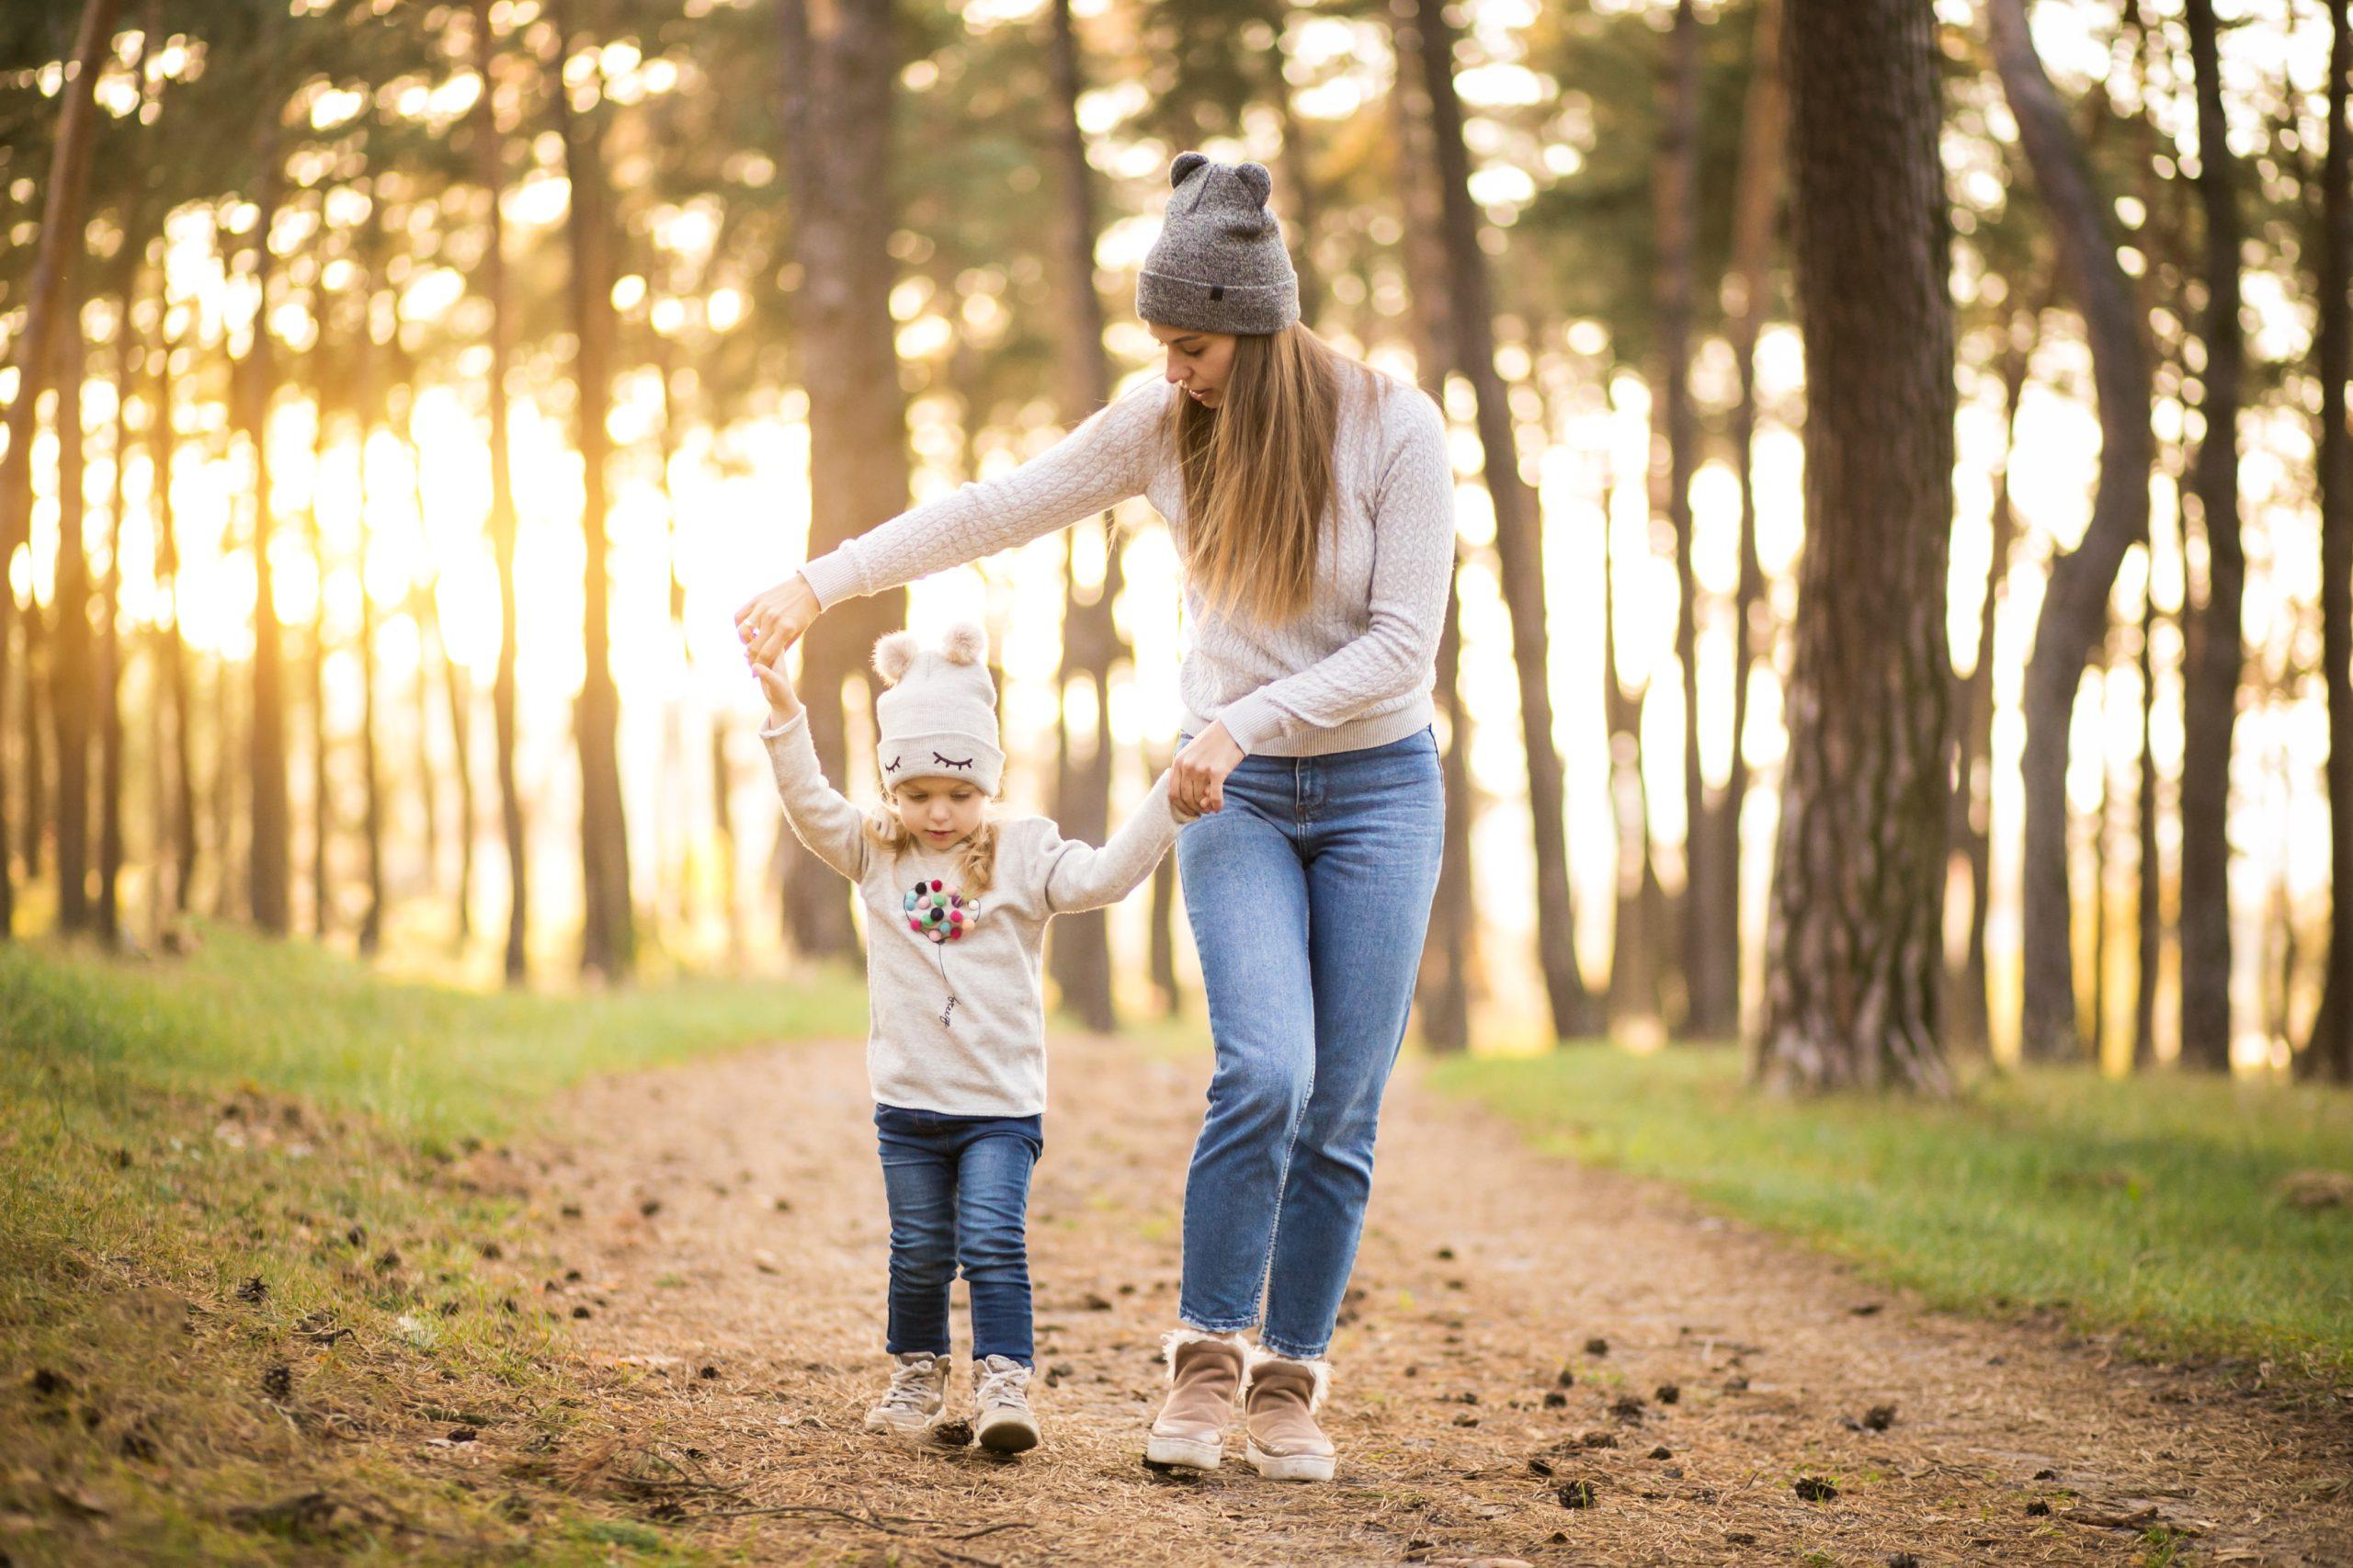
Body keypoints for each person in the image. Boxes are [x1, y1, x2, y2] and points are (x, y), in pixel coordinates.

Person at [738, 151, 1453, 1483]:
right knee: (1265, 1072)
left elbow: (1406, 648)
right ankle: (1204, 1361)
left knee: (1341, 1107)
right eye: (1161, 348)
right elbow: (995, 508)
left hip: (1378, 788)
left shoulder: (1394, 427)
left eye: (1190, 347)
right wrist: (819, 579)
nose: (1171, 372)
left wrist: (1252, 715)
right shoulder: (1161, 425)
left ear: (1256, 323)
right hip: (1221, 788)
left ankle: (1291, 1380)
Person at [753, 620, 1191, 1453]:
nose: (939, 812)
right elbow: (810, 802)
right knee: (918, 1252)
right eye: (917, 794)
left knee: (992, 1241)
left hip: (999, 1106)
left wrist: (1168, 800)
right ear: (893, 792)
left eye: (957, 792)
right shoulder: (875, 850)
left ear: (987, 778)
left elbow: (1101, 877)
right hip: (909, 1107)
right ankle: (918, 1375)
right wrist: (786, 719)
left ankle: (1002, 1383)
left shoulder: (1024, 853)